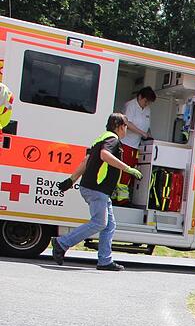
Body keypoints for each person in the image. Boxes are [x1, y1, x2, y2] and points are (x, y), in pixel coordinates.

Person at [50, 114, 143, 271]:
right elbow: (104, 155)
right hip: (97, 188)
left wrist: (71, 180)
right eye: (126, 126)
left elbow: (85, 161)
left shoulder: (100, 138)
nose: (126, 130)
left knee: (109, 225)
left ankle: (105, 261)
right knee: (100, 222)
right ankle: (61, 243)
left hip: (96, 189)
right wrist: (128, 168)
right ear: (120, 126)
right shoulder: (112, 139)